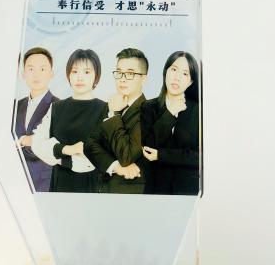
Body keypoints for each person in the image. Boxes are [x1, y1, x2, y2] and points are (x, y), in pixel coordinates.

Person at [31, 49, 106, 193]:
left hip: (93, 185)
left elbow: (98, 158)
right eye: (74, 71)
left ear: (96, 76)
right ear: (68, 75)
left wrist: (57, 156)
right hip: (60, 184)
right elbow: (37, 144)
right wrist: (67, 149)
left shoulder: (105, 109)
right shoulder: (56, 108)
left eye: (87, 72)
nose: (79, 77)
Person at [85, 47, 148, 194]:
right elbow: (89, 144)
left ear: (143, 78)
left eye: (130, 73)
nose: (122, 79)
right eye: (119, 72)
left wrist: (114, 115)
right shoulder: (111, 104)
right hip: (102, 190)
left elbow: (126, 155)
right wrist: (115, 166)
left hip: (130, 192)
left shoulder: (149, 111)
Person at [141, 51, 200, 195]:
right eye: (174, 69)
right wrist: (170, 113)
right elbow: (148, 147)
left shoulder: (198, 110)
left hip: (188, 191)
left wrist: (161, 155)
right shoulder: (148, 107)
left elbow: (199, 156)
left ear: (191, 81)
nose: (177, 77)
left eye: (185, 74)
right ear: (165, 72)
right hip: (156, 190)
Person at [13, 47, 59, 192]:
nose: (36, 75)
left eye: (42, 69)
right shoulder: (15, 106)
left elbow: (54, 143)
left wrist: (21, 141)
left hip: (44, 182)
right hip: (13, 181)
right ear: (23, 74)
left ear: (51, 73)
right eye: (31, 69)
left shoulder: (59, 106)